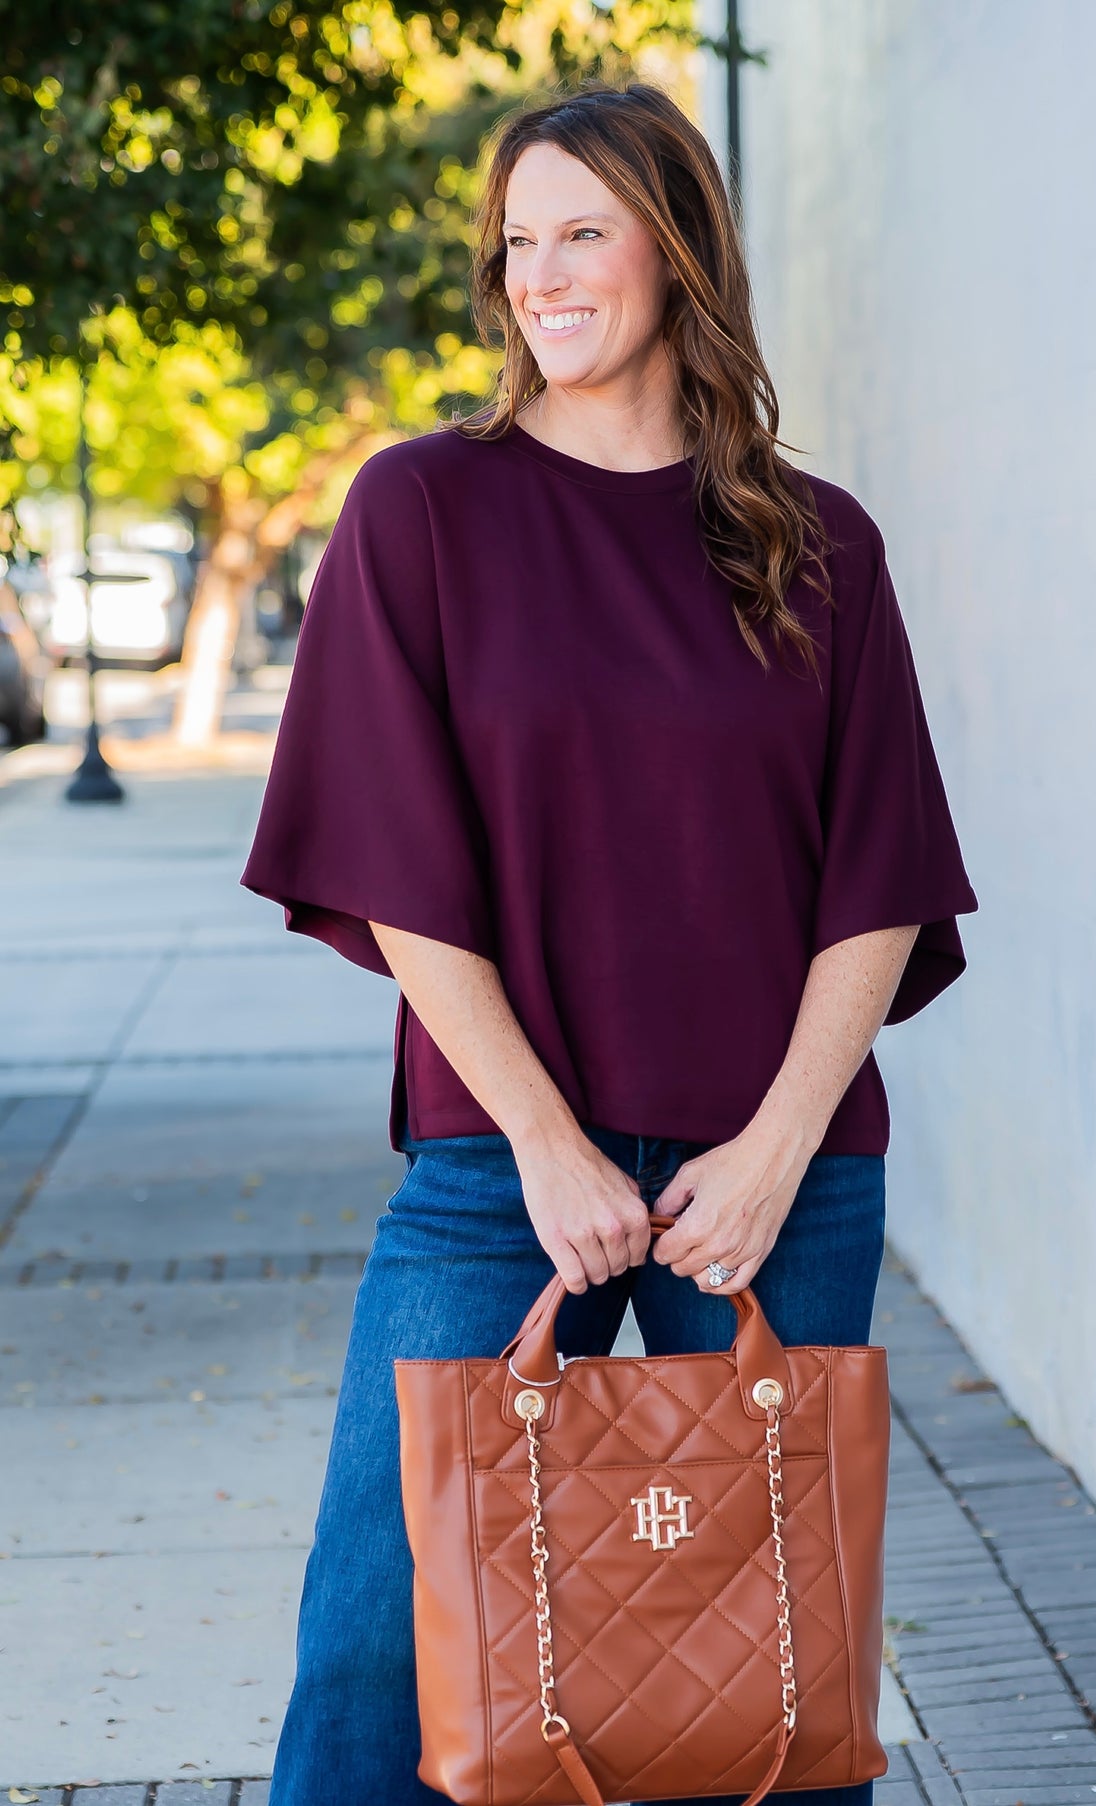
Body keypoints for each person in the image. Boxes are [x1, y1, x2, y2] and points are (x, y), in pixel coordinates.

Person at [240, 77, 979, 1806]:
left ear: (680, 252)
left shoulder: (816, 544)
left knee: (773, 1650)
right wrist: (546, 1142)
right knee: (384, 1623)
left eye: (583, 232)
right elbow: (403, 874)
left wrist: (774, 1151)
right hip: (501, 1166)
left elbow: (876, 878)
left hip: (775, 1175)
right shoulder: (421, 512)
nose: (541, 275)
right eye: (517, 242)